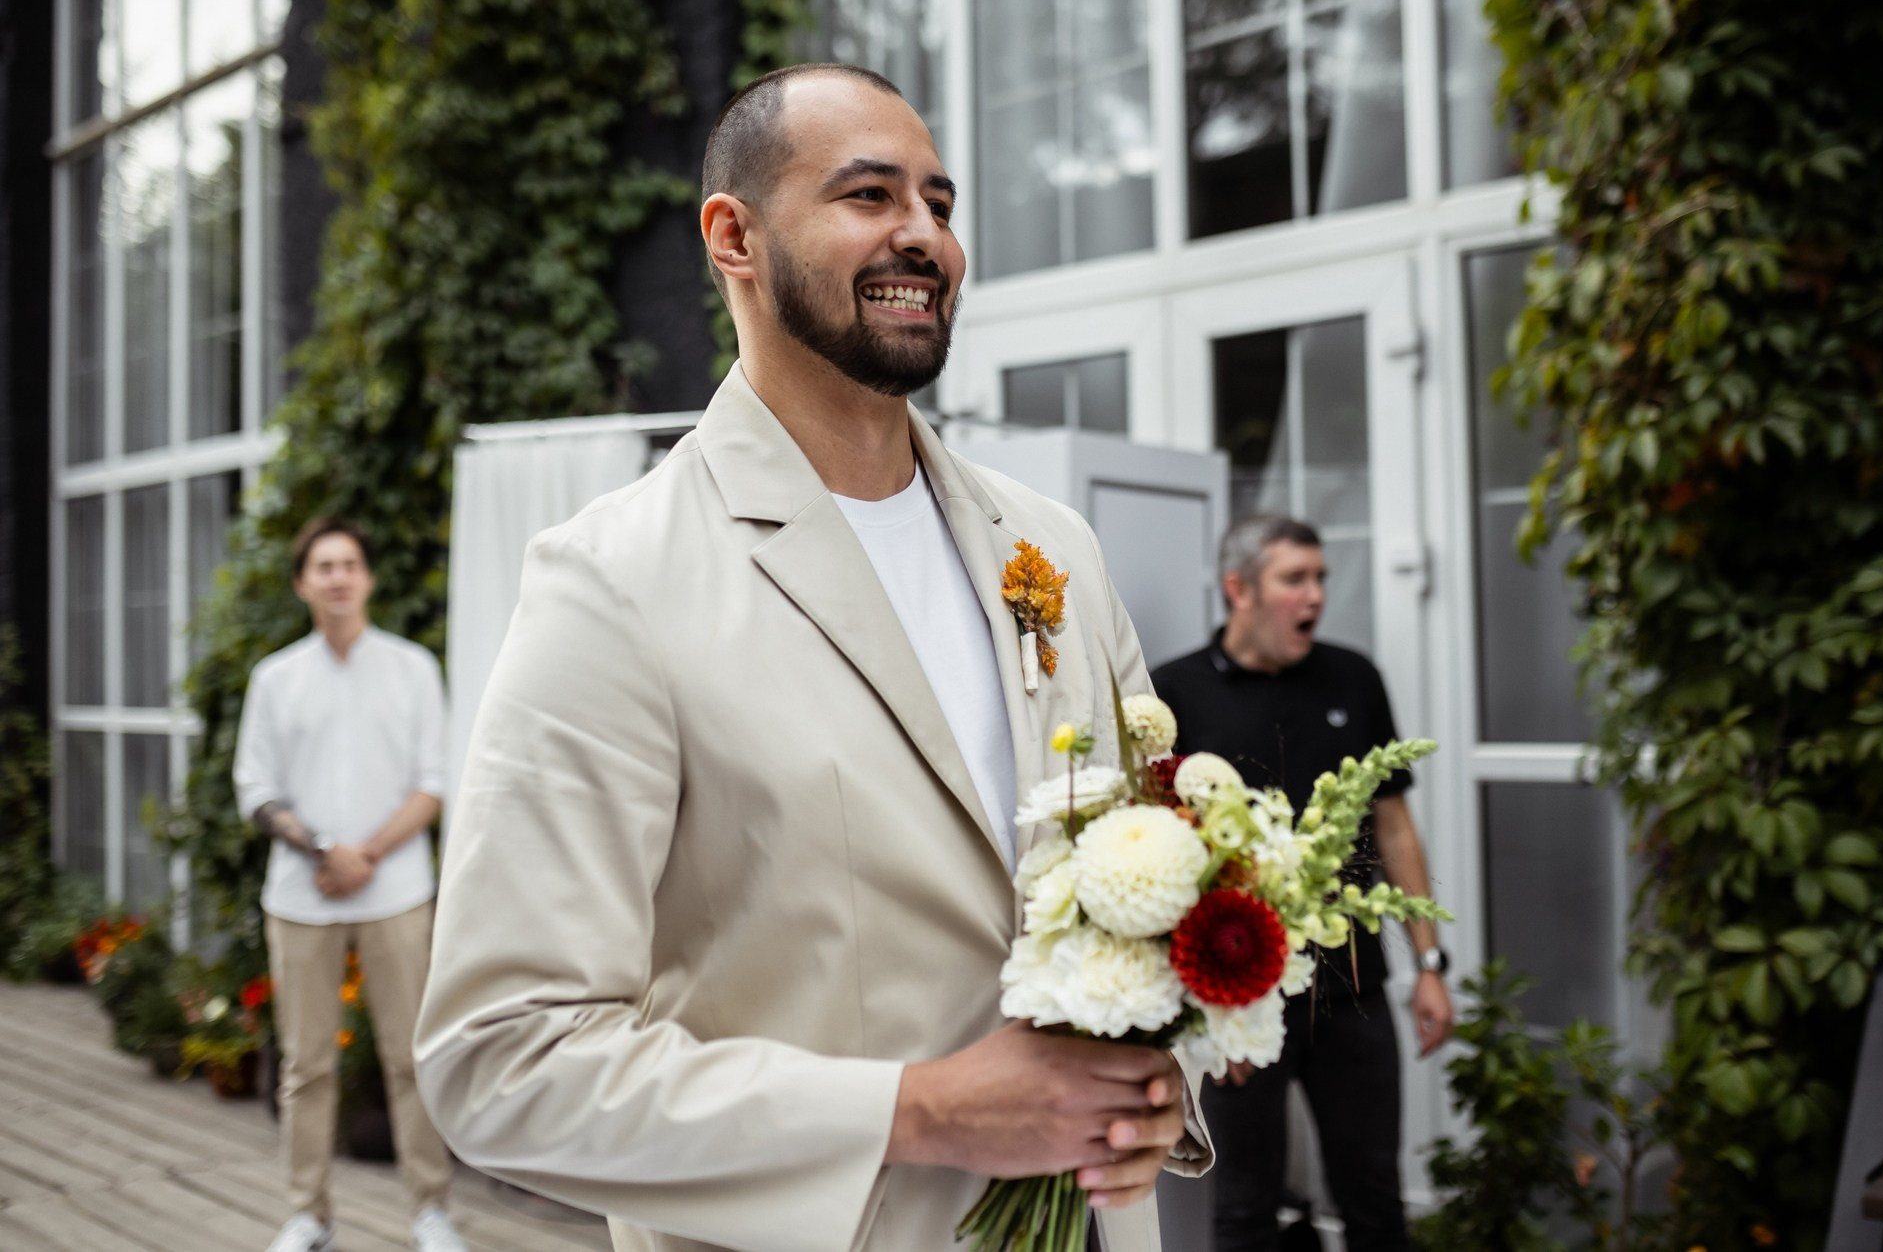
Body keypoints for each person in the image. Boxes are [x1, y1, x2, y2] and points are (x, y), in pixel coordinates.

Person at [412, 63, 1209, 1252]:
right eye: (868, 194)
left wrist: (1154, 1090)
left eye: (938, 202)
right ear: (733, 237)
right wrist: (918, 1112)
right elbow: (500, 1061)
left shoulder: (1055, 551)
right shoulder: (613, 581)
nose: (923, 235)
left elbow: (1153, 888)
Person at [1151, 515, 1453, 1252]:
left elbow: (1393, 827)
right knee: (1244, 1209)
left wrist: (1429, 963)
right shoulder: (1175, 692)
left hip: (1354, 986)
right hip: (1240, 998)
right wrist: (1198, 1010)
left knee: (1375, 1201)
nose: (1315, 594)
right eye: (1295, 578)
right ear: (1239, 589)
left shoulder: (1354, 677)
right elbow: (1163, 850)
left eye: (1319, 577)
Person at [235, 517, 465, 1252]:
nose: (338, 577)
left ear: (367, 578)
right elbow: (255, 789)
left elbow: (434, 783)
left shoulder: (412, 668)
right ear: (302, 582)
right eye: (323, 566)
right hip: (301, 898)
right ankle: (309, 1214)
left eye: (349, 564)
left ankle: (431, 1212)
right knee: (306, 1065)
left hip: (396, 892)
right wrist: (322, 849)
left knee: (411, 1056)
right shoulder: (275, 679)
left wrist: (363, 855)